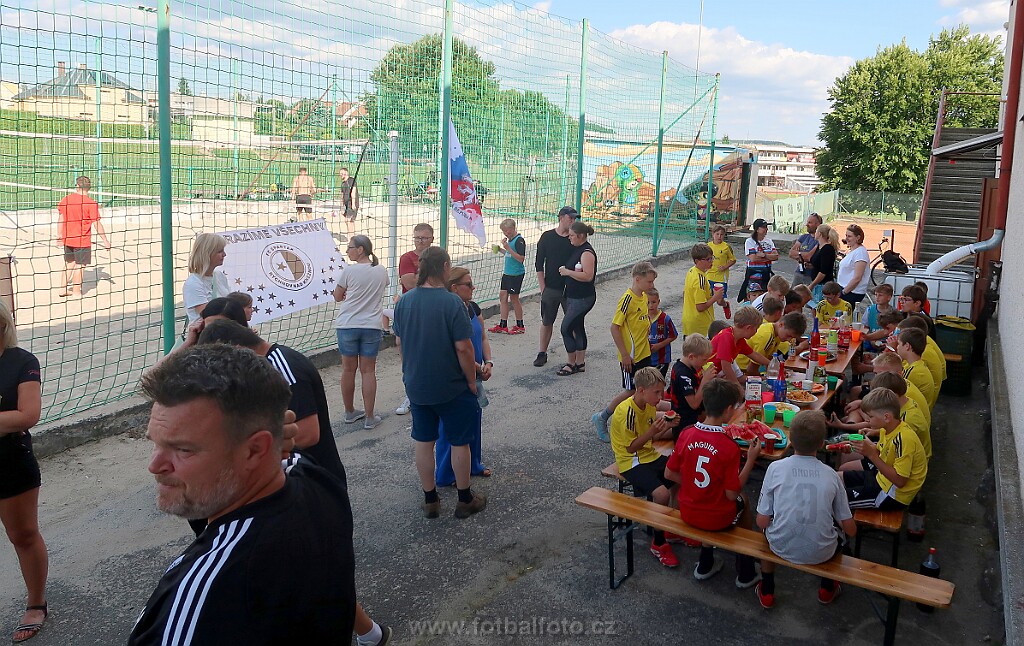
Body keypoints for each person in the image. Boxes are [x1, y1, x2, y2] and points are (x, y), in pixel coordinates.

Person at [129, 344, 357, 644]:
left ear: (255, 450)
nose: (154, 466)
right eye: (155, 443)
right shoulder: (319, 483)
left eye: (183, 449)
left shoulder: (204, 593)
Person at [194, 324, 390, 646]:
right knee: (314, 571)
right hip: (293, 487)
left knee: (317, 571)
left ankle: (366, 633)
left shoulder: (282, 366)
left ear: (235, 349)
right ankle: (371, 633)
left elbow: (309, 432)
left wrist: (253, 450)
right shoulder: (259, 370)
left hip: (309, 486)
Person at [392, 247, 487, 519]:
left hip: (417, 384)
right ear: (445, 267)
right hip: (451, 384)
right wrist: (471, 380)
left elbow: (400, 342)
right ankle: (464, 498)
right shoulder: (452, 302)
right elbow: (464, 348)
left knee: (424, 441)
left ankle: (430, 499)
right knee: (459, 442)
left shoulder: (404, 302)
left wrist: (408, 373)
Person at [665, 378, 761, 587]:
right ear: (728, 410)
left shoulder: (686, 433)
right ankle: (746, 569)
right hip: (716, 518)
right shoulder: (729, 446)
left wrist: (692, 483)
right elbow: (731, 494)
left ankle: (706, 562)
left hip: (688, 511)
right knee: (743, 500)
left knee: (720, 499)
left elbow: (669, 473)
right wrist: (750, 460)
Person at [755, 410, 855, 609]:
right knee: (841, 537)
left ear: (791, 440)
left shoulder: (775, 468)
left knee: (766, 532)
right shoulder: (832, 475)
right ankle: (827, 588)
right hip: (822, 551)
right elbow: (850, 529)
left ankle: (767, 590)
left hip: (780, 544)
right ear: (821, 444)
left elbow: (762, 521)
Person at [0, 302, 49, 644]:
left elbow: (28, 415)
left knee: (23, 535)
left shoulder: (22, 361)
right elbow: (14, 417)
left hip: (10, 463)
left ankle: (36, 603)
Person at [610, 367, 679, 567]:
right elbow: (631, 448)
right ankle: (658, 543)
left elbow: (652, 440)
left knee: (678, 475)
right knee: (662, 494)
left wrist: (666, 427)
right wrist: (652, 431)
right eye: (656, 392)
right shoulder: (626, 412)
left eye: (661, 392)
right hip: (630, 461)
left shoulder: (648, 405)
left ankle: (668, 525)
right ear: (641, 390)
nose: (661, 397)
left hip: (648, 455)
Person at [434, 267, 493, 486]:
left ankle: (473, 464)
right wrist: (477, 367)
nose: (473, 287)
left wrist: (489, 362)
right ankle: (445, 473)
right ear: (454, 288)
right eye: (468, 284)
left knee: (474, 419)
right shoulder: (448, 312)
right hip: (457, 375)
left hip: (475, 373)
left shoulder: (473, 307)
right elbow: (455, 348)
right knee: (450, 426)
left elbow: (483, 337)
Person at [591, 261, 656, 442]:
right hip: (631, 358)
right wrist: (625, 355)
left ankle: (638, 424)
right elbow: (614, 327)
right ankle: (602, 417)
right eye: (649, 281)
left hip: (645, 353)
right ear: (638, 279)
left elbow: (641, 321)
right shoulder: (627, 299)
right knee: (631, 391)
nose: (652, 285)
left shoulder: (644, 296)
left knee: (645, 390)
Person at [838, 388, 927, 511]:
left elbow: (900, 481)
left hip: (892, 495)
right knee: (836, 478)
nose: (867, 420)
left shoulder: (904, 439)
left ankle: (844, 522)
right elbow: (880, 452)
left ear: (886, 417)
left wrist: (871, 455)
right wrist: (856, 447)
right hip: (881, 478)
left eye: (870, 416)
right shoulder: (888, 429)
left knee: (836, 500)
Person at [333, 235, 388, 430]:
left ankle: (349, 411)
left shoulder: (349, 271)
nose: (347, 251)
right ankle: (370, 416)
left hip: (348, 324)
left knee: (348, 370)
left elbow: (337, 296)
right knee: (368, 371)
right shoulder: (381, 270)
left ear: (360, 249)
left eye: (350, 247)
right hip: (371, 324)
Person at [394, 223, 436, 416]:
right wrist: (429, 279)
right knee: (407, 352)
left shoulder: (437, 256)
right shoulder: (407, 258)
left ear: (432, 239)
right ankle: (410, 395)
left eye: (424, 238)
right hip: (411, 310)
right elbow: (409, 283)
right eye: (417, 237)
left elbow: (444, 281)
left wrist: (421, 277)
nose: (420, 241)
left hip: (433, 309)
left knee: (432, 351)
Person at [533, 206, 578, 367]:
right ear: (561, 217)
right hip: (551, 287)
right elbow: (539, 263)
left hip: (570, 288)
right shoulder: (547, 237)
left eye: (574, 218)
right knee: (547, 321)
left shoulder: (574, 239)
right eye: (570, 217)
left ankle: (576, 357)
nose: (572, 220)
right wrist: (543, 287)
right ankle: (542, 352)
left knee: (573, 322)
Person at [56, 175, 111, 298]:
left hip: (68, 238)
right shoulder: (91, 203)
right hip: (82, 240)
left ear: (77, 186)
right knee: (80, 266)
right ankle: (76, 292)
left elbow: (61, 219)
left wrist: (59, 236)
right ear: (89, 187)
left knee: (69, 263)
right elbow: (97, 224)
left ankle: (62, 289)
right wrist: (105, 240)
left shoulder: (66, 199)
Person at [556, 220, 597, 375]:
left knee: (566, 328)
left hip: (582, 298)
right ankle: (580, 363)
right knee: (577, 327)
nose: (569, 238)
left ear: (580, 236)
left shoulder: (586, 252)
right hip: (574, 296)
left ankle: (570, 363)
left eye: (572, 235)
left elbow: (588, 276)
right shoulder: (577, 248)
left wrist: (568, 272)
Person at [668, 334, 717, 437]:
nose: (705, 363)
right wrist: (705, 380)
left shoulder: (688, 366)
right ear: (691, 357)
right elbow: (694, 404)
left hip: (691, 421)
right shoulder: (683, 374)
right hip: (685, 425)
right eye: (704, 360)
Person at [735, 312, 807, 375]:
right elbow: (751, 370)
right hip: (741, 370)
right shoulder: (766, 336)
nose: (789, 340)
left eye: (792, 337)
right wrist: (766, 379)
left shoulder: (776, 333)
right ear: (781, 324)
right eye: (788, 336)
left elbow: (770, 361)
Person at [182, 233, 229, 327]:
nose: (224, 254)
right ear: (207, 254)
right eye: (220, 251)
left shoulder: (220, 276)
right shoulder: (193, 283)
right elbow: (208, 316)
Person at [710, 306, 767, 383]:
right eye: (756, 329)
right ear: (748, 328)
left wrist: (771, 364)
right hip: (703, 376)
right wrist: (737, 387)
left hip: (715, 373)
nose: (756, 332)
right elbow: (726, 367)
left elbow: (754, 355)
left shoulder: (739, 339)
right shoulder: (726, 337)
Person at [489, 218, 527, 335]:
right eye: (504, 231)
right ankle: (503, 324)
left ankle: (520, 325)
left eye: (507, 230)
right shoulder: (510, 240)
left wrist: (508, 248)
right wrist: (500, 250)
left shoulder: (519, 240)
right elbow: (509, 255)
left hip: (516, 274)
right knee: (503, 296)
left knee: (514, 299)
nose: (505, 233)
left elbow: (520, 259)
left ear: (513, 228)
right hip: (507, 273)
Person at [682, 243, 723, 337]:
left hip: (690, 321)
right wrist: (715, 297)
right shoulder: (699, 279)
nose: (711, 261)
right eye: (708, 259)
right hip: (699, 325)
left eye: (712, 258)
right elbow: (700, 307)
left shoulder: (692, 271)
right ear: (697, 261)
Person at [894, 328, 937, 408]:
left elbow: (899, 395)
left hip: (916, 411)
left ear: (907, 346)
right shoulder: (914, 365)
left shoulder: (914, 372)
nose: (897, 347)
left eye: (899, 344)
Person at [738, 218, 778, 303]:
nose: (766, 229)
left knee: (765, 297)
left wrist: (764, 255)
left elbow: (776, 256)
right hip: (754, 275)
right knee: (752, 297)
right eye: (763, 227)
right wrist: (768, 257)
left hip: (766, 274)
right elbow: (753, 258)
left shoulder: (769, 241)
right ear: (757, 229)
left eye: (766, 227)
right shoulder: (750, 241)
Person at [706, 224, 736, 319]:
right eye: (717, 234)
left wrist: (725, 267)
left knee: (719, 301)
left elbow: (733, 260)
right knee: (707, 298)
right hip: (709, 276)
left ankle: (725, 305)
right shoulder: (708, 246)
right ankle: (708, 317)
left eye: (721, 234)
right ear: (713, 234)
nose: (719, 236)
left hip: (721, 278)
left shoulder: (726, 247)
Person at [647, 287, 678, 377]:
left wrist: (659, 345)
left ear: (658, 302)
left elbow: (673, 335)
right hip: (646, 359)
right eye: (648, 302)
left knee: (659, 381)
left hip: (662, 359)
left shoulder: (665, 318)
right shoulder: (642, 318)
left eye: (653, 302)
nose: (650, 305)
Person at [837, 224, 871, 306]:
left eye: (849, 236)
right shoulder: (853, 251)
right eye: (846, 235)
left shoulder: (860, 253)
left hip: (851, 293)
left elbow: (857, 277)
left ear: (858, 237)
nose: (846, 238)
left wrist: (844, 292)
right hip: (845, 290)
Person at [805, 223, 839, 304]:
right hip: (817, 283)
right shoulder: (819, 247)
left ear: (819, 234)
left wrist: (812, 284)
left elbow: (823, 271)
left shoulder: (827, 249)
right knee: (813, 306)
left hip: (822, 284)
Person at [789, 212, 822, 287]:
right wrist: (802, 255)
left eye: (810, 222)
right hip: (799, 273)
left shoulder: (820, 241)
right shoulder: (803, 237)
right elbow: (791, 253)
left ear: (818, 225)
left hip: (811, 276)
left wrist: (799, 254)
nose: (807, 224)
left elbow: (808, 257)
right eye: (807, 222)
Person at [862, 284, 895, 351]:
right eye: (876, 295)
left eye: (880, 295)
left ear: (889, 297)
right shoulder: (870, 310)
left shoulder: (893, 312)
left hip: (887, 344)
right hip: (869, 344)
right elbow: (865, 327)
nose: (877, 297)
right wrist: (872, 341)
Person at [338, 167, 359, 240]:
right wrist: (342, 206)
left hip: (352, 203)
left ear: (346, 173)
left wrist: (353, 204)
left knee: (348, 220)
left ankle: (351, 238)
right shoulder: (343, 183)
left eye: (342, 173)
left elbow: (353, 192)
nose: (340, 175)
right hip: (347, 204)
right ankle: (352, 237)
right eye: (340, 173)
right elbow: (342, 195)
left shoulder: (351, 180)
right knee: (349, 221)